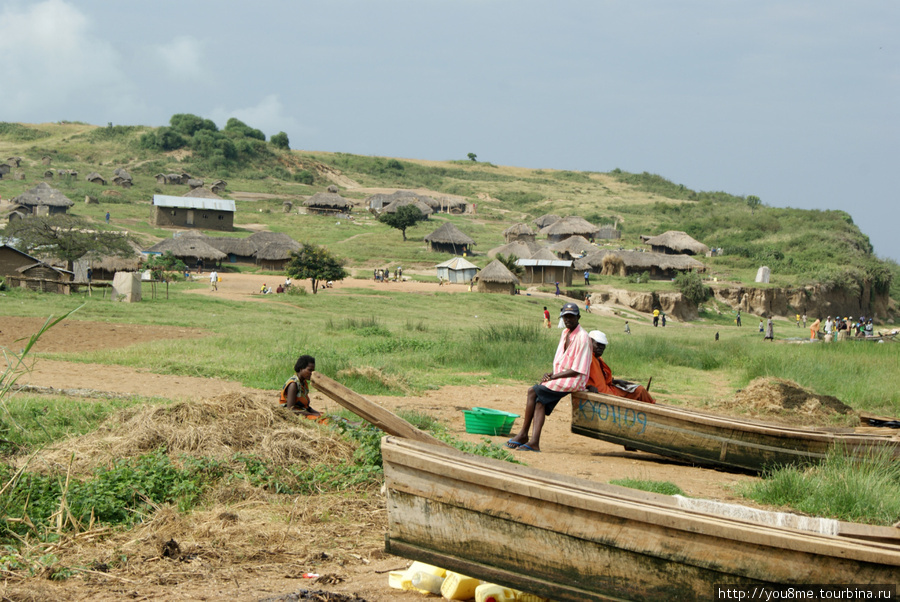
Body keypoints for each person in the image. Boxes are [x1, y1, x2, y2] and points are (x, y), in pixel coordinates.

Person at [507, 303, 591, 452]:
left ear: (578, 317)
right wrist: (551, 375)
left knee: (533, 391)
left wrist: (553, 376)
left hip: (576, 379)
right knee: (540, 401)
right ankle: (534, 442)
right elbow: (560, 360)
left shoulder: (583, 337)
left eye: (571, 316)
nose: (568, 320)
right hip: (563, 377)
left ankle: (523, 434)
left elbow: (578, 369)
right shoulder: (565, 333)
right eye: (565, 317)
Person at [584, 330, 655, 403]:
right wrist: (588, 386)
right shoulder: (587, 357)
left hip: (609, 389)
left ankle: (653, 408)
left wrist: (616, 381)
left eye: (603, 346)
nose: (601, 348)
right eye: (598, 344)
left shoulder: (599, 359)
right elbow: (578, 375)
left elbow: (602, 379)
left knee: (640, 390)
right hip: (602, 395)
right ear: (590, 342)